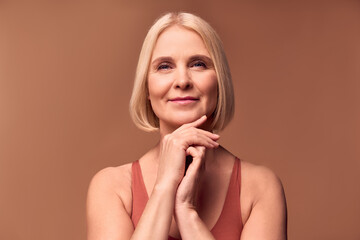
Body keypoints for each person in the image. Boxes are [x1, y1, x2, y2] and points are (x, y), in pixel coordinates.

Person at [86, 12, 287, 240]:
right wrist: (164, 186)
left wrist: (186, 211)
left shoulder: (261, 188)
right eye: (164, 66)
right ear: (147, 89)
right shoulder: (112, 187)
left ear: (219, 82)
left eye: (198, 64)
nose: (182, 81)